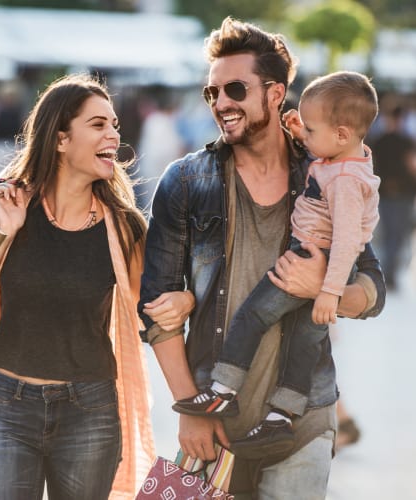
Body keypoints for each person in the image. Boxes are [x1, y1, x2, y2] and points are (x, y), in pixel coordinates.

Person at [139, 17, 385, 500]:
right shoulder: (186, 182)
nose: (221, 103)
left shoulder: (325, 175)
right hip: (214, 424)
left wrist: (325, 288)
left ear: (276, 93)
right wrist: (189, 408)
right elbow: (156, 310)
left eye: (235, 89)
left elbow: (371, 289)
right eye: (212, 93)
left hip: (303, 424)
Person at [0, 73, 155, 499]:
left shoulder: (125, 227)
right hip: (8, 407)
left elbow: (149, 310)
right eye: (98, 125)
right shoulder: (11, 204)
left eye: (115, 124)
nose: (114, 134)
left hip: (90, 411)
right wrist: (3, 232)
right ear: (61, 139)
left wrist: (183, 299)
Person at [171, 71, 380, 462]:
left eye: (312, 130)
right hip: (326, 261)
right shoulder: (343, 159)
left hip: (312, 258)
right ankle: (281, 416)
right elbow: (327, 158)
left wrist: (329, 291)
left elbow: (351, 239)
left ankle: (222, 391)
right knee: (303, 343)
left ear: (340, 134)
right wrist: (305, 132)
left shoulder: (347, 180)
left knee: (253, 315)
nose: (305, 140)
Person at [371, 106, 416, 290]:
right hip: (404, 193)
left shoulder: (378, 141)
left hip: (384, 192)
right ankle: (390, 273)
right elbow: (413, 166)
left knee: (387, 234)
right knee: (398, 235)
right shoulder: (407, 141)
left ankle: (386, 272)